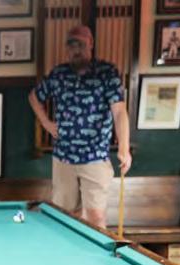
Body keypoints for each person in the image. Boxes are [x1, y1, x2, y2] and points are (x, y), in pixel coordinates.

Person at [28, 25, 132, 229]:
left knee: (96, 218)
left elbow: (119, 111)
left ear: (91, 44)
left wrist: (124, 147)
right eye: (71, 45)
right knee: (64, 216)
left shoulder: (107, 73)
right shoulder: (58, 74)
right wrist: (46, 123)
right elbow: (34, 97)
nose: (76, 50)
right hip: (63, 158)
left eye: (81, 44)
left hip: (95, 158)